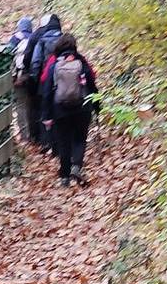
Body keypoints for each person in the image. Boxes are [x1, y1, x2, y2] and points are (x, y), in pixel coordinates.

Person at [39, 33, 99, 187]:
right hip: (82, 108)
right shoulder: (82, 62)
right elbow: (92, 84)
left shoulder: (53, 65)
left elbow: (46, 91)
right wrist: (97, 106)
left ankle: (64, 177)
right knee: (79, 139)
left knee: (63, 142)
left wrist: (46, 114)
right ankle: (76, 166)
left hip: (60, 110)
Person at [22, 12, 62, 145]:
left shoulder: (40, 39)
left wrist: (33, 77)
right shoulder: (64, 38)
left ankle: (43, 140)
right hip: (60, 79)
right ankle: (57, 139)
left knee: (41, 108)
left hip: (43, 79)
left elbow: (35, 61)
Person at [7, 16, 34, 140]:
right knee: (32, 105)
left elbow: (7, 55)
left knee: (21, 106)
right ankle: (34, 134)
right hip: (34, 76)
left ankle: (24, 136)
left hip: (19, 76)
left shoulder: (15, 38)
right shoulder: (35, 38)